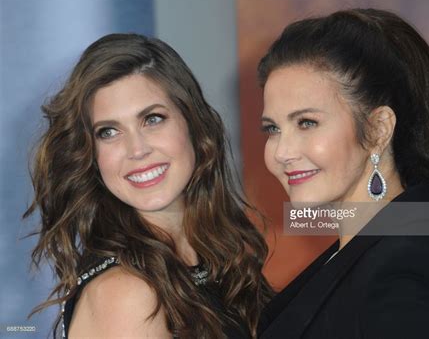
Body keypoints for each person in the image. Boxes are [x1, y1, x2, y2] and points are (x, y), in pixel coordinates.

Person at [24, 33, 273, 338]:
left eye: (152, 119)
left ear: (192, 123)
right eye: (109, 132)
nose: (137, 149)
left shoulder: (219, 252)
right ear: (90, 154)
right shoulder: (127, 294)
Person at [256, 9, 429, 338]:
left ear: (377, 129)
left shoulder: (401, 276)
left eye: (306, 123)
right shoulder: (366, 252)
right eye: (273, 128)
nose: (282, 152)